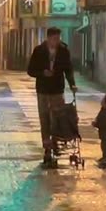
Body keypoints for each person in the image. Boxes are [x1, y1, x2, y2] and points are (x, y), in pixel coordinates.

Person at [26, 27, 77, 166]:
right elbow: (30, 70)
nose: (57, 41)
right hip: (43, 90)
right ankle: (47, 148)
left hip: (57, 89)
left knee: (58, 118)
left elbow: (68, 69)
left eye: (58, 38)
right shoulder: (39, 51)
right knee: (45, 119)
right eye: (55, 39)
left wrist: (72, 84)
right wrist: (42, 73)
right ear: (48, 38)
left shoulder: (63, 51)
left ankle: (55, 144)